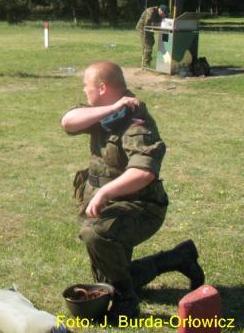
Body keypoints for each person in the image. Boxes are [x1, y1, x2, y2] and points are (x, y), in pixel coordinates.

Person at [61, 61, 204, 322]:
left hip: (142, 205)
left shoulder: (136, 121)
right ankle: (177, 258)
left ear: (102, 87)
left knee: (95, 235)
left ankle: (127, 303)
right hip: (115, 204)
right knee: (107, 282)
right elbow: (68, 122)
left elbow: (144, 172)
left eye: (86, 86)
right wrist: (112, 106)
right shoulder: (106, 112)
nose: (84, 91)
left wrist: (104, 193)